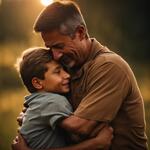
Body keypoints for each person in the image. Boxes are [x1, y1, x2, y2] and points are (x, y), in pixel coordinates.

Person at [12, 1, 148, 150]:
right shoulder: (69, 64)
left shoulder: (109, 66)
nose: (55, 55)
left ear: (80, 33)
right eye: (50, 48)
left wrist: (41, 115)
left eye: (59, 46)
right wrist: (36, 116)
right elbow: (42, 103)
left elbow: (82, 127)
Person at [13, 47, 113, 150]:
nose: (67, 75)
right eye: (57, 72)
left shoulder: (37, 102)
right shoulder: (52, 101)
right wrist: (98, 140)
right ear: (38, 83)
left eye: (64, 70)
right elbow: (78, 133)